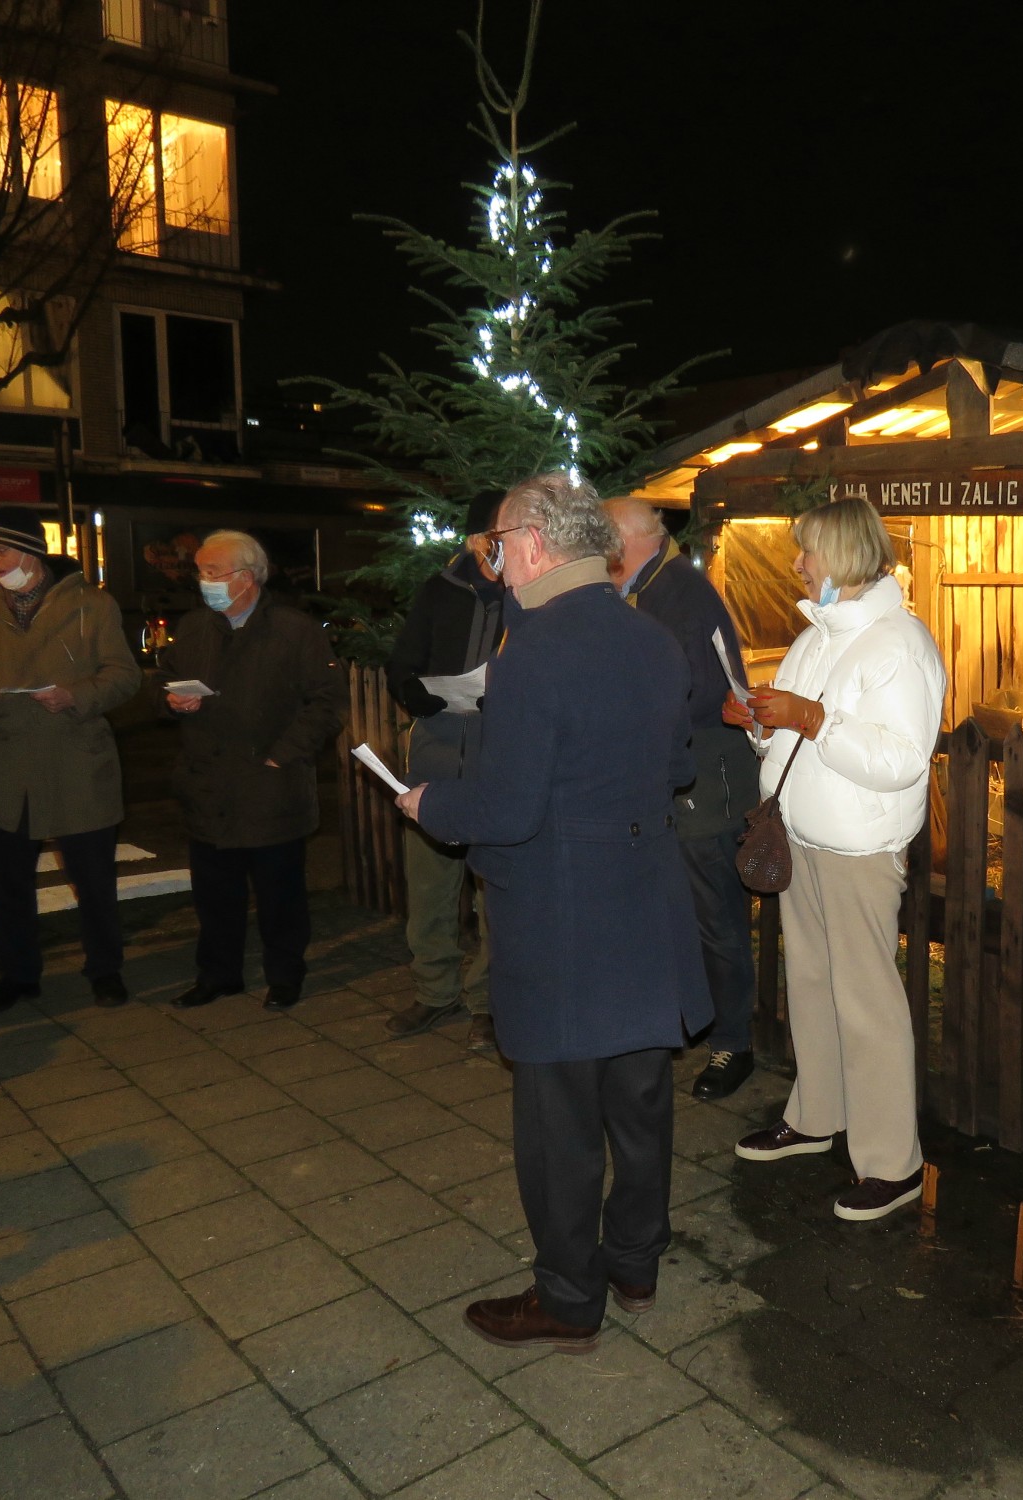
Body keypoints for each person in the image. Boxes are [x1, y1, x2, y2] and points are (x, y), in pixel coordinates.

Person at [395, 473, 711, 1352]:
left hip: (564, 921)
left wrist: (431, 806)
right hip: (646, 907)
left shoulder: (530, 655)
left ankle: (570, 1299)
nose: (494, 561)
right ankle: (636, 1263)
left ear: (532, 544)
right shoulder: (651, 639)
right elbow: (680, 766)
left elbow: (506, 812)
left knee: (560, 1124)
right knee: (641, 1101)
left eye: (498, 544)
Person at [727, 498, 946, 1222]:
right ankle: (818, 1115)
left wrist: (812, 718)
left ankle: (893, 1163)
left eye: (807, 551)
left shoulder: (899, 643)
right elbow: (794, 744)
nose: (797, 563)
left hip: (859, 850)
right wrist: (763, 723)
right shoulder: (817, 636)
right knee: (812, 986)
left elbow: (903, 762)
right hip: (805, 836)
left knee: (867, 1004)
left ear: (845, 556)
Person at [0, 509, 142, 1015]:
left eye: (2, 551)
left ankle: (105, 970)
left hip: (74, 760)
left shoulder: (91, 605)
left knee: (94, 880)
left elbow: (125, 675)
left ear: (30, 553)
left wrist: (76, 695)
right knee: (8, 885)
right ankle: (18, 976)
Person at [603, 496, 760, 1100]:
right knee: (676, 912)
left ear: (629, 539)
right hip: (673, 776)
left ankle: (732, 1043)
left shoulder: (681, 594)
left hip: (705, 780)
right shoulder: (646, 588)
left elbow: (703, 691)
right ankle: (685, 1025)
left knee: (715, 916)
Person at [161, 529, 343, 1012]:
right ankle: (219, 975)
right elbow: (166, 684)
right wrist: (175, 701)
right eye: (201, 572)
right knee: (215, 896)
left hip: (270, 786)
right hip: (209, 787)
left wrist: (283, 754)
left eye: (213, 572)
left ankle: (285, 976)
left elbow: (325, 703)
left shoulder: (294, 630)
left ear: (246, 578)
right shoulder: (195, 628)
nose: (204, 582)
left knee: (279, 895)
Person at [382, 492, 505, 1052]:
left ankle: (487, 1002)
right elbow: (403, 661)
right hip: (435, 752)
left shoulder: (527, 596)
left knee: (492, 889)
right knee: (430, 882)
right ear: (476, 539)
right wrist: (414, 693)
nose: (500, 548)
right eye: (492, 537)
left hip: (494, 758)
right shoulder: (440, 591)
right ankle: (434, 991)